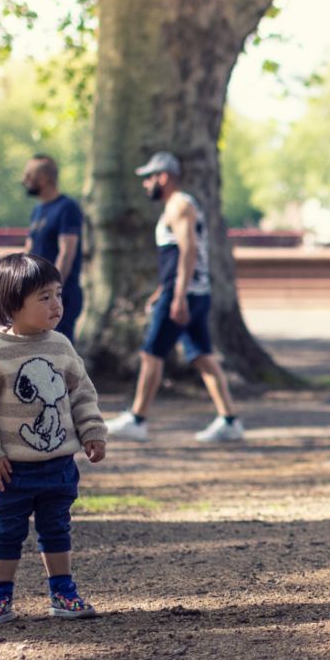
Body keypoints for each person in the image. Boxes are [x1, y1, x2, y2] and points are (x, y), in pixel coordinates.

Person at [0, 252, 107, 626]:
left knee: (57, 528)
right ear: (12, 304)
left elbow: (82, 394)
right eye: (44, 297)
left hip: (58, 465)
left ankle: (62, 591)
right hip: (10, 471)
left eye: (58, 294)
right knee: (7, 532)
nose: (56, 304)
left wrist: (92, 431)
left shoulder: (61, 346)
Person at [104, 152, 243, 444]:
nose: (145, 185)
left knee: (151, 353)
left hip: (185, 294)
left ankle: (138, 418)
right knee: (203, 357)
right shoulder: (178, 205)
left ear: (163, 177)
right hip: (193, 291)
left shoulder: (179, 205)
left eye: (149, 178)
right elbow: (177, 256)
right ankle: (229, 419)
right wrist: (163, 289)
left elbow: (189, 251)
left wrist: (177, 296)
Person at [21, 154, 84, 341]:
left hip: (61, 295)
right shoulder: (38, 210)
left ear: (44, 179)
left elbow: (67, 252)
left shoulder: (68, 207)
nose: (24, 181)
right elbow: (29, 249)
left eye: (28, 176)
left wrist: (51, 291)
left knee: (58, 352)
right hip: (36, 293)